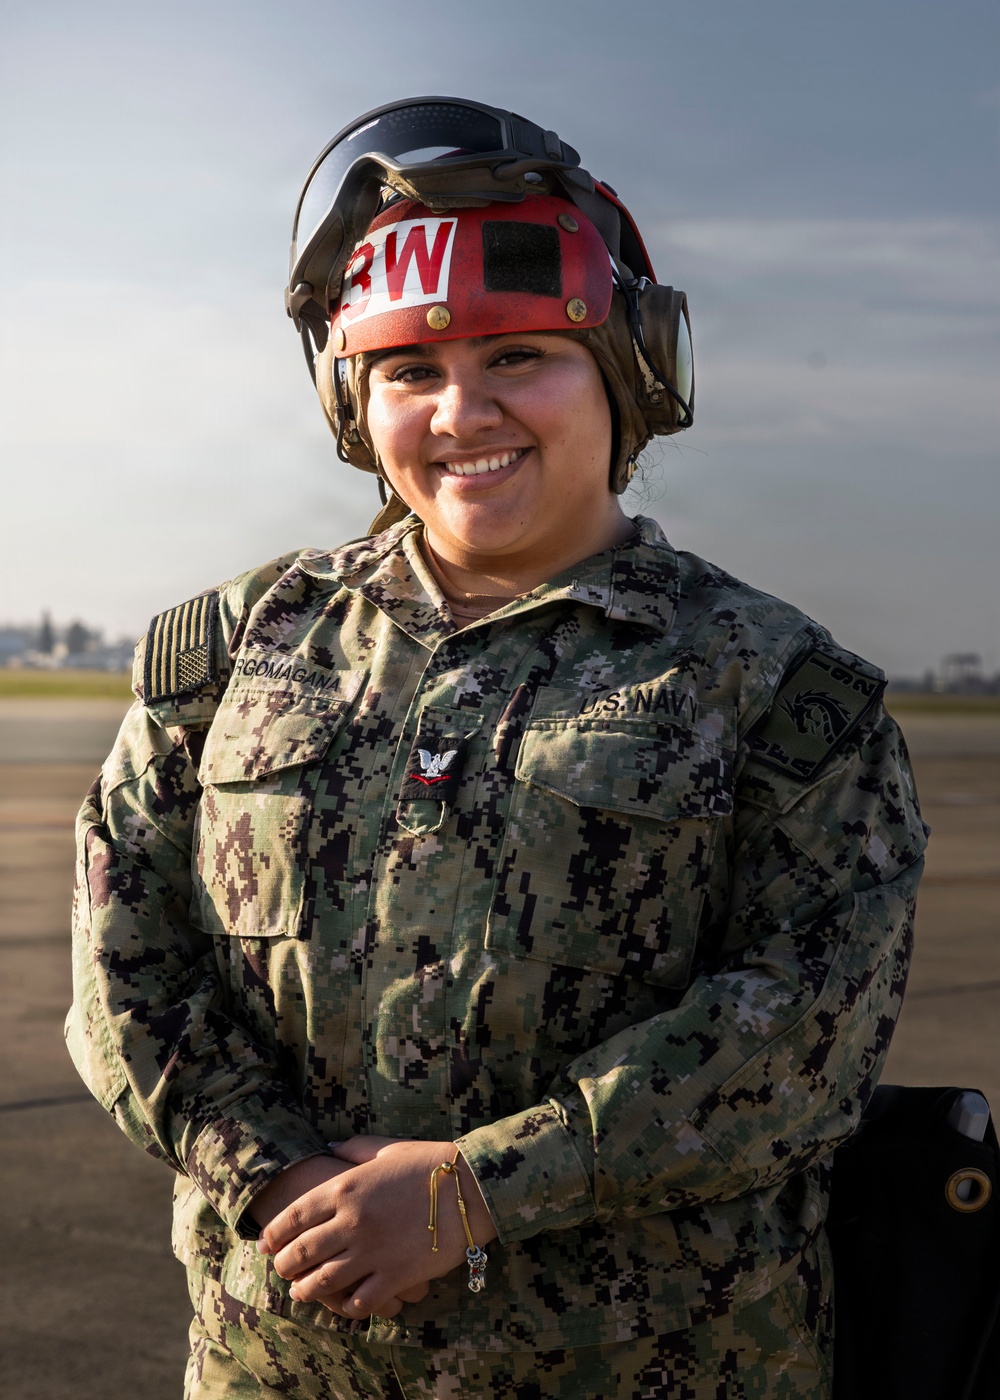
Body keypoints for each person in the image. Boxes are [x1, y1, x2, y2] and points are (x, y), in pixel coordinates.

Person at [67, 97, 927, 1399]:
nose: (462, 411)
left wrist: (480, 1191)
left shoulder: (777, 686)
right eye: (410, 370)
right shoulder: (229, 651)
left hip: (648, 1364)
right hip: (278, 1359)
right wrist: (279, 1178)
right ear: (354, 404)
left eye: (519, 355)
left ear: (631, 369)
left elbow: (805, 1033)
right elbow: (123, 971)